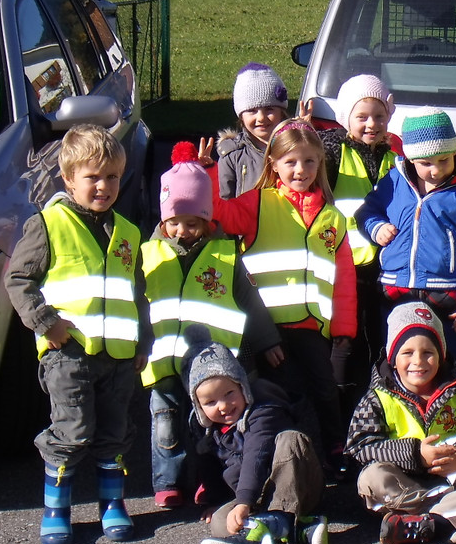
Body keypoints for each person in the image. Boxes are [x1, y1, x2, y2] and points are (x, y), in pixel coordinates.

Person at [5, 123, 152, 544]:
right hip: (68, 352)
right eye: (93, 177)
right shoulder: (48, 224)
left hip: (118, 354)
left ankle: (112, 503)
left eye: (113, 177)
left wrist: (143, 341)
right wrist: (44, 321)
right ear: (69, 179)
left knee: (115, 431)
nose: (104, 186)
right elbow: (19, 280)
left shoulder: (128, 232)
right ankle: (57, 509)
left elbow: (136, 292)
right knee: (72, 429)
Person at [199, 119, 357, 475]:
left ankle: (335, 450)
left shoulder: (332, 216)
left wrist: (343, 328)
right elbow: (218, 214)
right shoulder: (257, 203)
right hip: (267, 327)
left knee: (326, 390)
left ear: (320, 163)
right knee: (279, 395)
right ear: (273, 163)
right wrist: (207, 172)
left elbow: (344, 277)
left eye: (309, 161)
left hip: (312, 326)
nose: (301, 170)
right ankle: (281, 460)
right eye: (291, 162)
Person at [140, 141, 282, 509]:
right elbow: (136, 302)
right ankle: (168, 481)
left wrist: (267, 340)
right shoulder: (148, 254)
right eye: (174, 222)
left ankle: (209, 479)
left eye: (192, 223)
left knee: (210, 423)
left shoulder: (225, 253)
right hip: (164, 359)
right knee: (166, 419)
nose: (182, 231)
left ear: (207, 220)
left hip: (212, 363)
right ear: (162, 221)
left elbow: (250, 300)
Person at [345, 302, 456, 544]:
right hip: (408, 488)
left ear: (441, 355)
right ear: (393, 358)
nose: (418, 361)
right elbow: (358, 448)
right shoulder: (376, 398)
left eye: (428, 352)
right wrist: (415, 454)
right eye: (407, 353)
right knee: (371, 478)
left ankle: (430, 523)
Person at [356, 107, 456, 376]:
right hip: (395, 289)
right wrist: (376, 227)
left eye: (444, 159)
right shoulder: (394, 181)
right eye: (426, 164)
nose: (436, 170)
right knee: (396, 359)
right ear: (410, 159)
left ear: (455, 152)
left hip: (446, 295)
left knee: (452, 361)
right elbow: (366, 211)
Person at [186, 327, 328, 544]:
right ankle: (297, 529)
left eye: (229, 393)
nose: (223, 406)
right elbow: (209, 466)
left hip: (298, 488)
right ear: (199, 408)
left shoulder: (263, 410)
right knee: (221, 523)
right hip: (257, 499)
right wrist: (214, 500)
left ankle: (272, 525)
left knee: (291, 439)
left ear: (243, 387)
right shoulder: (207, 430)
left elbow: (256, 454)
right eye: (210, 402)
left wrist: (243, 502)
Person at [305, 74, 399, 409]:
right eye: (362, 117)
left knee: (378, 338)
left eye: (379, 116)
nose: (371, 124)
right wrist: (303, 136)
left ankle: (376, 402)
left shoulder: (393, 158)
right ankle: (340, 407)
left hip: (383, 266)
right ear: (347, 118)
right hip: (345, 265)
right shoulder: (334, 151)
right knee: (346, 339)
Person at [216, 62, 290, 198]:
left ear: (281, 112)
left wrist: (305, 135)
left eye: (269, 109)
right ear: (241, 116)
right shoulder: (233, 155)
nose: (261, 118)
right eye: (252, 111)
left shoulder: (294, 147)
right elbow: (225, 201)